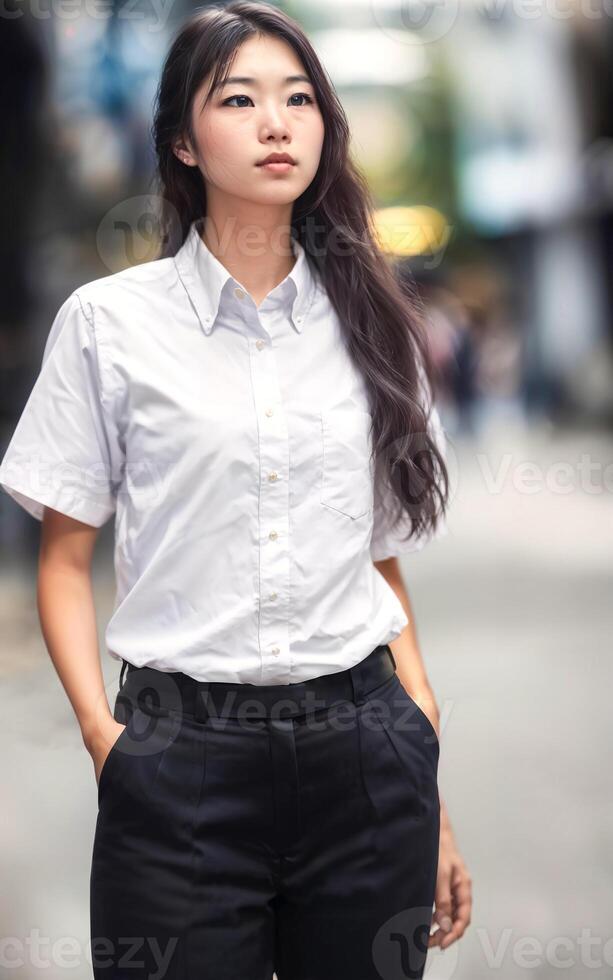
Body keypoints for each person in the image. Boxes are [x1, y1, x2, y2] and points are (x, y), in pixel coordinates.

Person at [0, 2, 472, 977]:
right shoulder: (108, 324)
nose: (276, 123)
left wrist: (425, 775)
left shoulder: (375, 324)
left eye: (299, 99)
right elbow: (63, 556)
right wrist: (107, 741)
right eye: (241, 98)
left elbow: (375, 559)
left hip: (365, 759)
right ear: (181, 137)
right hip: (179, 768)